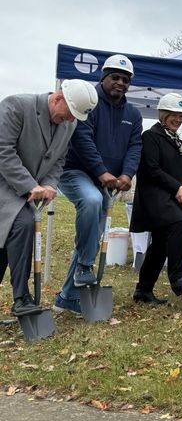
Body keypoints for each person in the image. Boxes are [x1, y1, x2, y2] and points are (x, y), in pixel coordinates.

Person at [53, 55, 143, 315]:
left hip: (110, 181)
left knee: (92, 234)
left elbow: (135, 146)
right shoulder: (90, 102)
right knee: (91, 201)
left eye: (125, 80)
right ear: (103, 78)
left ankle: (68, 297)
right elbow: (83, 139)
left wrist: (127, 174)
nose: (120, 83)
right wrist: (102, 172)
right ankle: (83, 265)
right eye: (115, 77)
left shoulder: (133, 114)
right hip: (76, 171)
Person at [0, 80, 98, 316]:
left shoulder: (67, 125)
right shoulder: (16, 106)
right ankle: (21, 297)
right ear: (57, 99)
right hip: (5, 184)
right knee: (21, 227)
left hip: (28, 193)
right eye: (70, 114)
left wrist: (50, 185)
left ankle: (22, 298)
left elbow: (59, 161)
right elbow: (3, 151)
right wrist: (30, 185)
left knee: (18, 229)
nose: (71, 120)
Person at [129, 93, 182, 304]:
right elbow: (150, 168)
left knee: (160, 244)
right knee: (180, 221)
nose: (177, 120)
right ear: (163, 114)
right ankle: (177, 276)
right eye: (173, 115)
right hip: (154, 196)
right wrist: (176, 186)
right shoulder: (150, 137)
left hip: (172, 196)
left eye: (180, 116)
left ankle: (143, 290)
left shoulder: (178, 140)